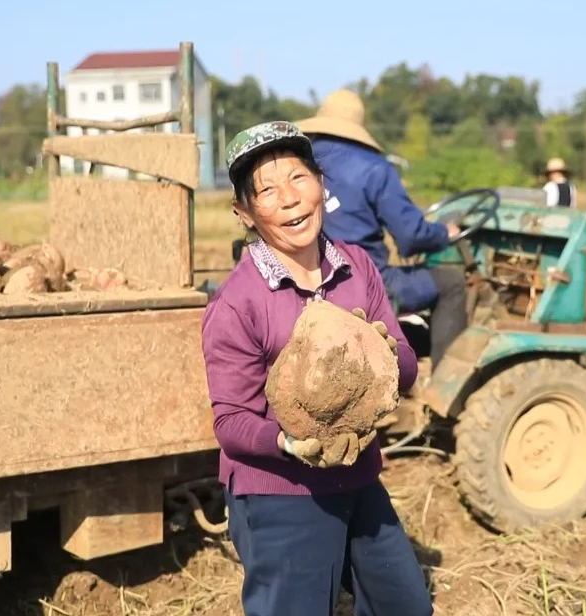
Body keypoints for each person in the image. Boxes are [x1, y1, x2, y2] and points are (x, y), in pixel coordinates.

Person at [201, 120, 433, 616]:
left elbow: (405, 365)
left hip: (357, 476)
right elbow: (231, 423)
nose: (288, 199)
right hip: (279, 492)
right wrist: (288, 442)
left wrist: (388, 363)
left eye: (298, 178)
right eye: (266, 190)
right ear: (244, 211)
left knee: (406, 607)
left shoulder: (357, 267)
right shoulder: (238, 303)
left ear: (321, 187)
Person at [296, 89, 467, 367]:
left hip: (309, 278)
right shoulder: (375, 168)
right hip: (366, 280)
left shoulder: (299, 162)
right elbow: (411, 236)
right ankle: (444, 383)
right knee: (453, 282)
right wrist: (443, 234)